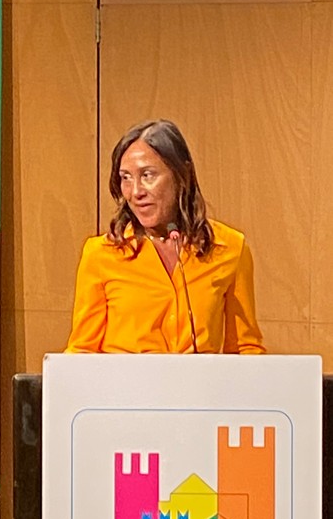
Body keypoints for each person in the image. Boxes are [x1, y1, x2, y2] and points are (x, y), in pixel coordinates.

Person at [65, 119, 265, 355]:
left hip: (198, 380)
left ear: (182, 175)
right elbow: (82, 353)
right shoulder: (101, 254)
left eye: (147, 175)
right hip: (125, 380)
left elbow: (245, 349)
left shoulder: (229, 248)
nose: (136, 192)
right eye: (126, 177)